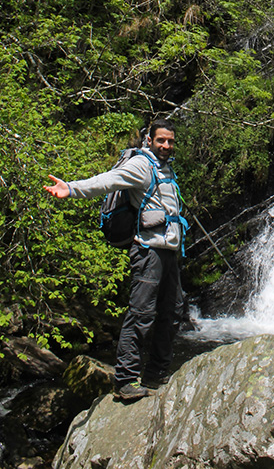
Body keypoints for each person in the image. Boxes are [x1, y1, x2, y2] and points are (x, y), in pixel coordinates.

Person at [44, 118, 186, 402]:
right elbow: (106, 182)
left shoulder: (166, 168)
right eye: (161, 140)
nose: (166, 145)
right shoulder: (140, 165)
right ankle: (125, 380)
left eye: (170, 141)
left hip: (169, 252)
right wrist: (70, 188)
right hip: (148, 252)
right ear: (149, 140)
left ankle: (156, 374)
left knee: (173, 312)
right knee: (142, 314)